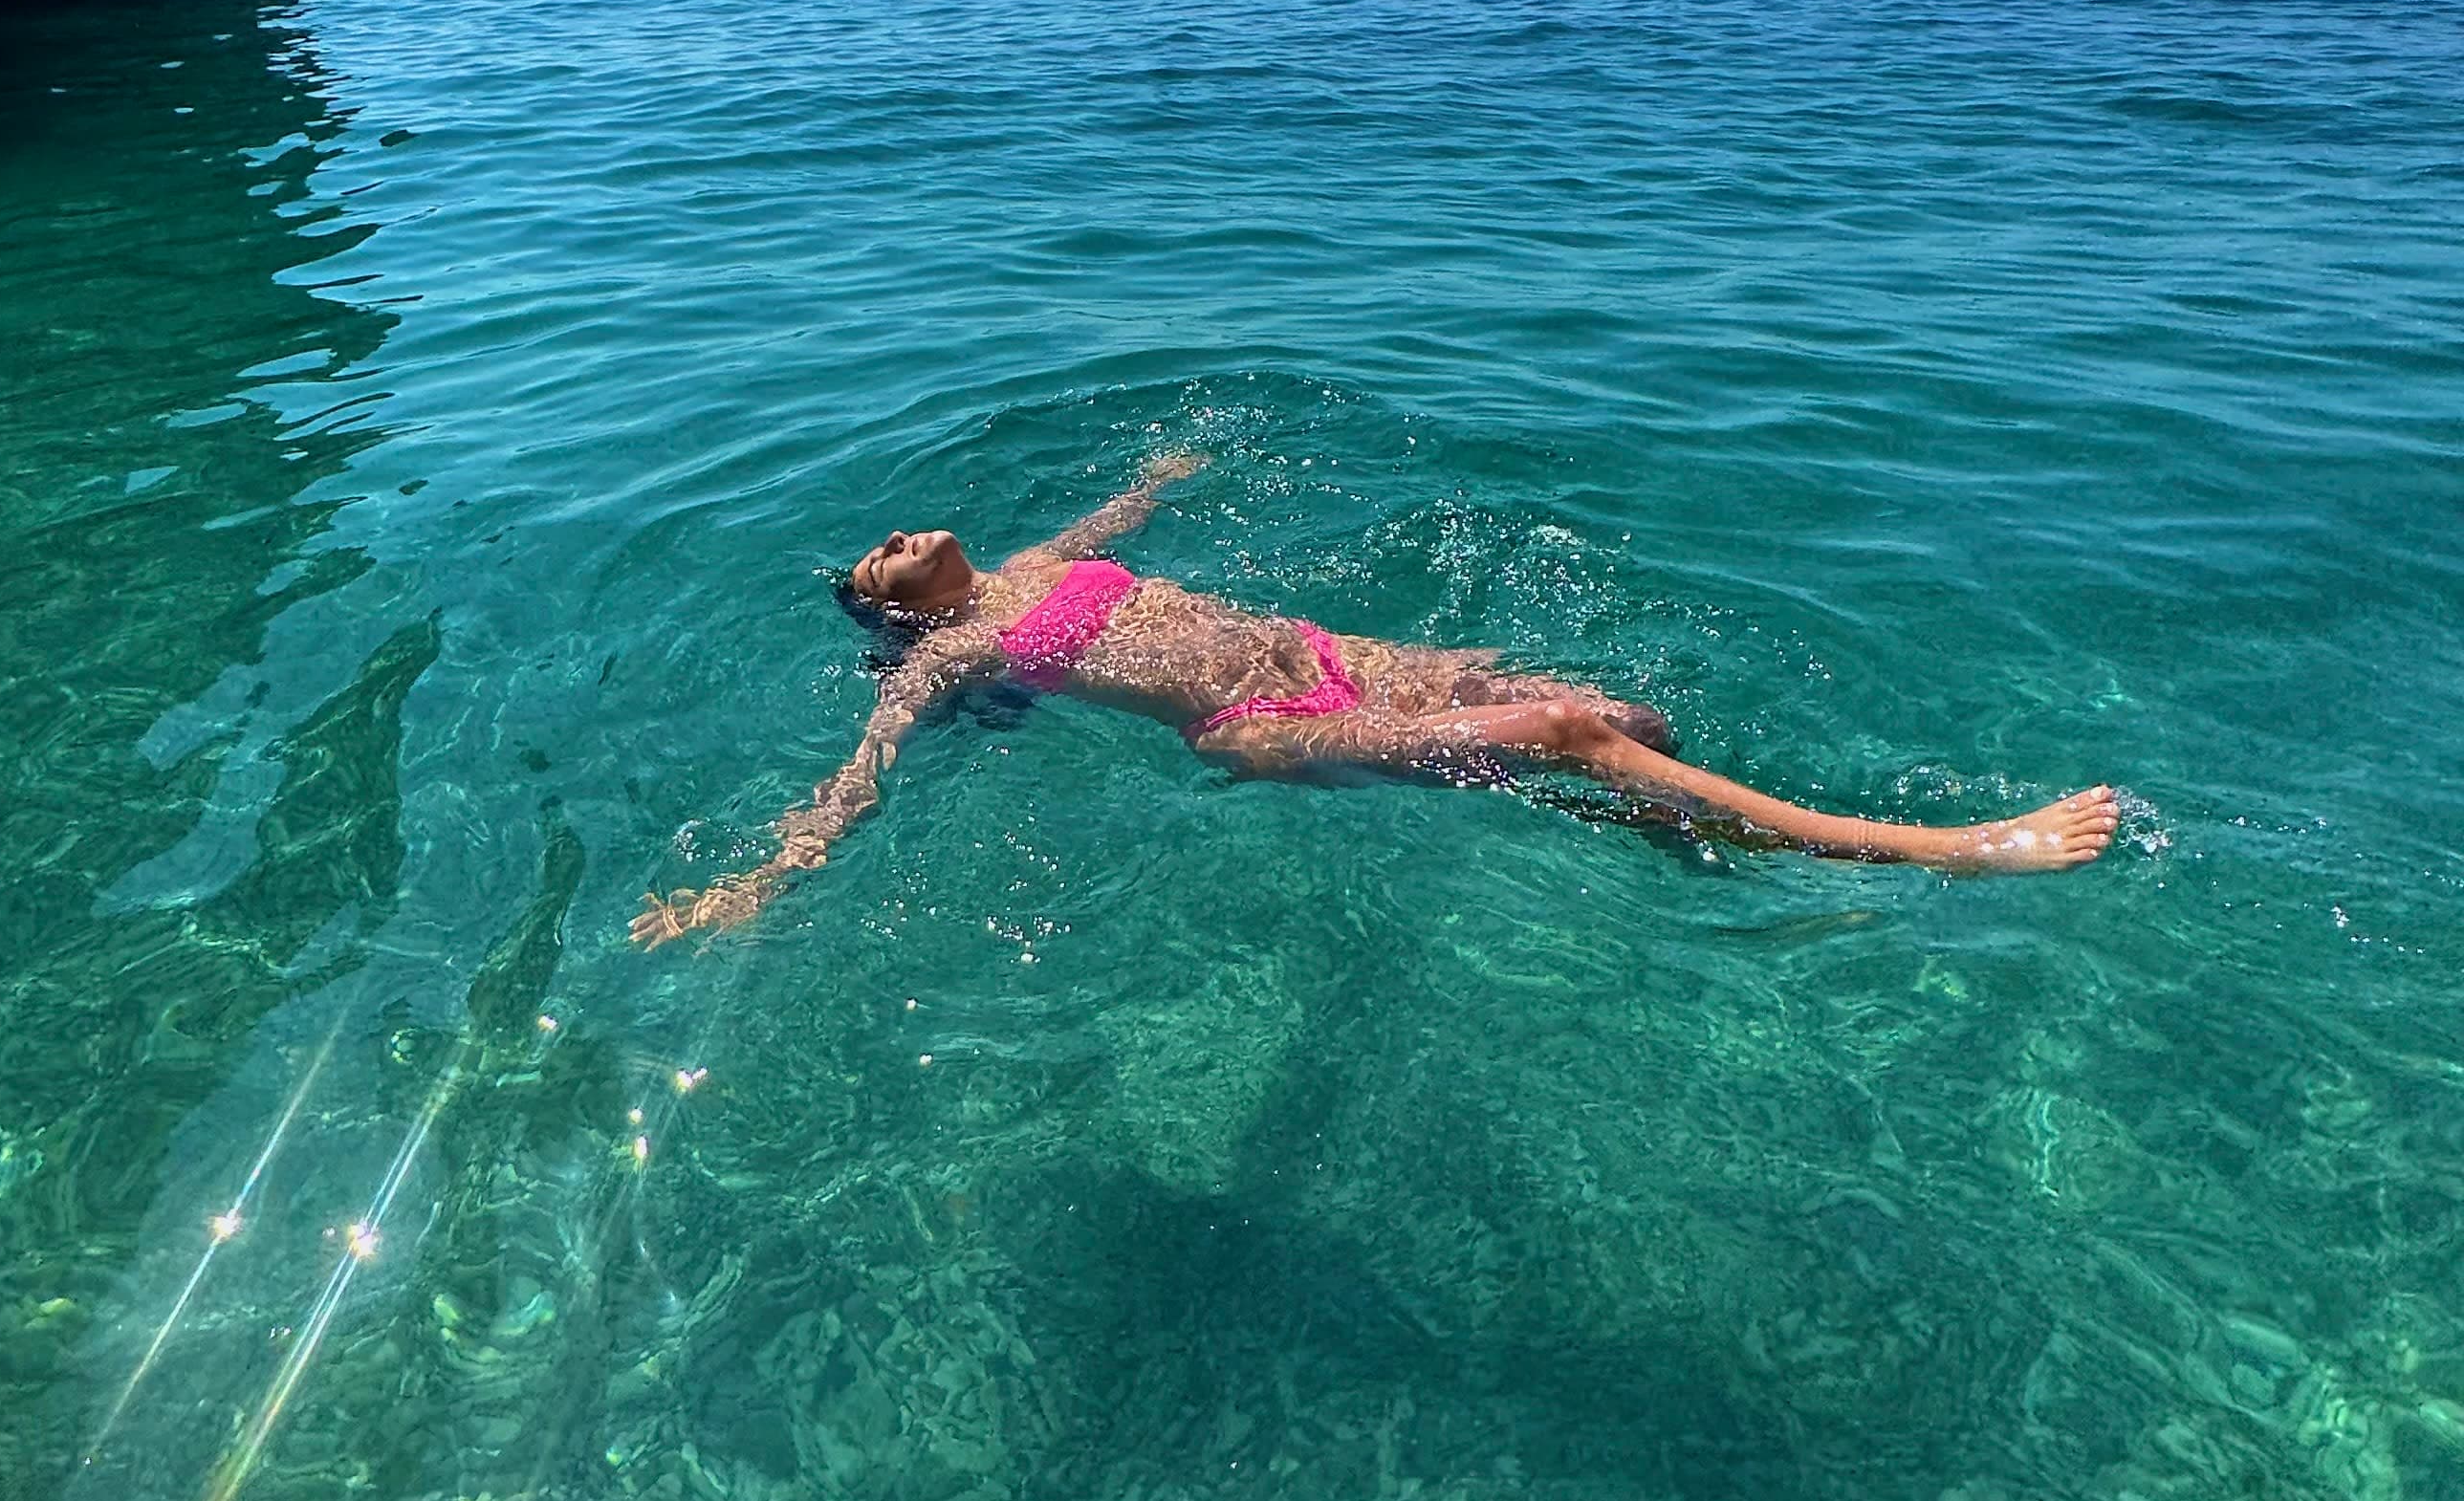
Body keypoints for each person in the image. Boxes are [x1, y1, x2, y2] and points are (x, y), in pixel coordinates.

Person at [630, 453, 2120, 942]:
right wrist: (765, 877)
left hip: (1331, 654)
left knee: (1629, 724)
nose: (896, 536)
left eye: (891, 530)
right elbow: (863, 768)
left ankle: (1710, 845)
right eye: (879, 558)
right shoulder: (955, 652)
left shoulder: (1024, 567)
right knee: (1563, 734)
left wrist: (1167, 468)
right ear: (895, 608)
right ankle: (1938, 850)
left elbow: (1117, 522)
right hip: (1269, 727)